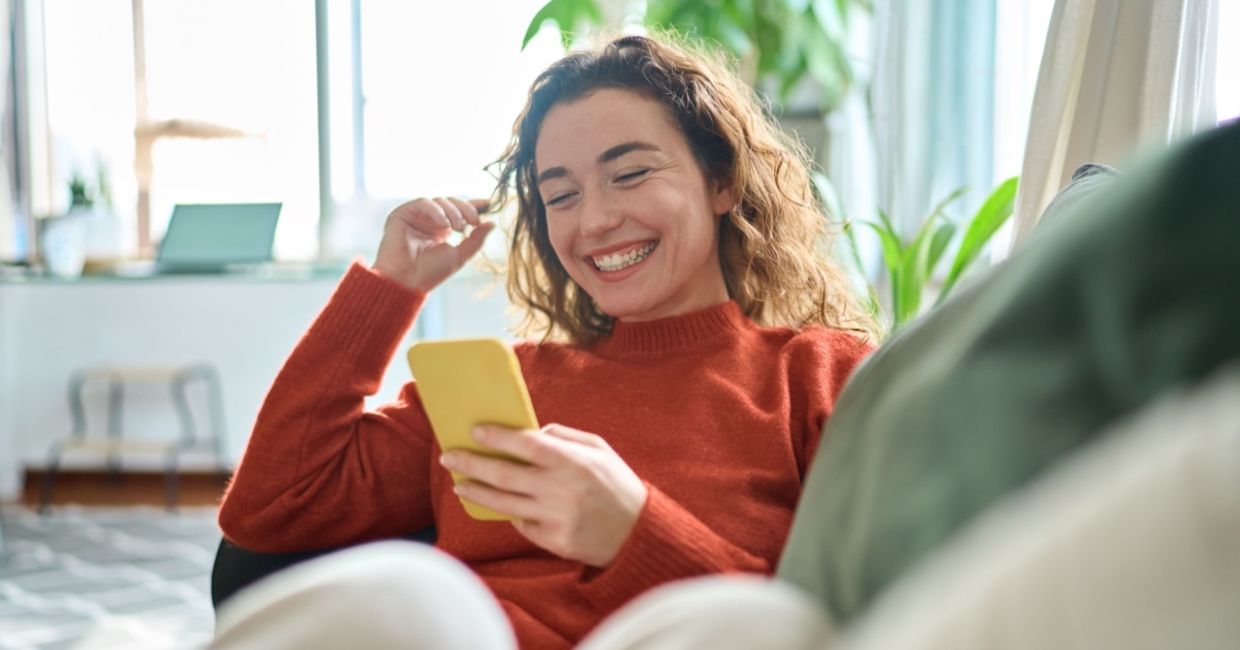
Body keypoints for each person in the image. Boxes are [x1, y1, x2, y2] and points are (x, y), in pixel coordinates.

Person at [214, 34, 875, 649]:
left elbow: (847, 621)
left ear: (721, 181)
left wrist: (634, 533)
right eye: (561, 195)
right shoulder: (504, 388)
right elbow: (268, 511)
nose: (595, 221)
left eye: (630, 174)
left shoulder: (819, 376)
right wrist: (390, 288)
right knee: (410, 592)